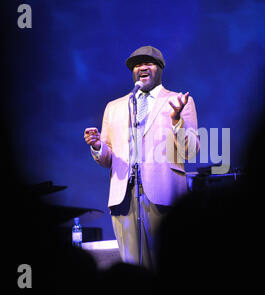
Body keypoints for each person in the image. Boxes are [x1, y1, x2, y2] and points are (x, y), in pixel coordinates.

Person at [84, 45, 199, 269]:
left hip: (165, 194)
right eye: (137, 64)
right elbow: (108, 159)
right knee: (132, 267)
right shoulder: (114, 107)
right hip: (123, 198)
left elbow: (191, 151)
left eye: (148, 63)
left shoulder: (179, 101)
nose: (142, 67)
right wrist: (98, 147)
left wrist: (177, 121)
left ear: (160, 68)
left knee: (167, 263)